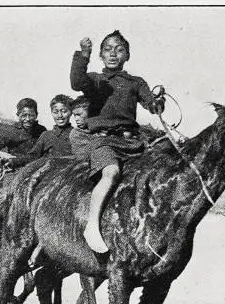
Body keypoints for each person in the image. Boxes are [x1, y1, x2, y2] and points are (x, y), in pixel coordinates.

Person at [70, 31, 165, 253]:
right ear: (101, 55)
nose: (113, 53)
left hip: (133, 143)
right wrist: (83, 55)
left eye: (119, 49)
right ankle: (92, 226)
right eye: (108, 49)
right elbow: (76, 82)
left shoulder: (136, 82)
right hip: (104, 142)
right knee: (111, 173)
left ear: (127, 56)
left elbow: (151, 104)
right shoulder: (94, 80)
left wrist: (157, 103)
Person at [0, 98, 47, 170]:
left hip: (35, 169)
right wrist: (4, 155)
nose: (27, 119)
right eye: (24, 115)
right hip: (14, 170)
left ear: (36, 115)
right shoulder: (11, 130)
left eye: (31, 115)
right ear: (18, 115)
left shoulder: (41, 130)